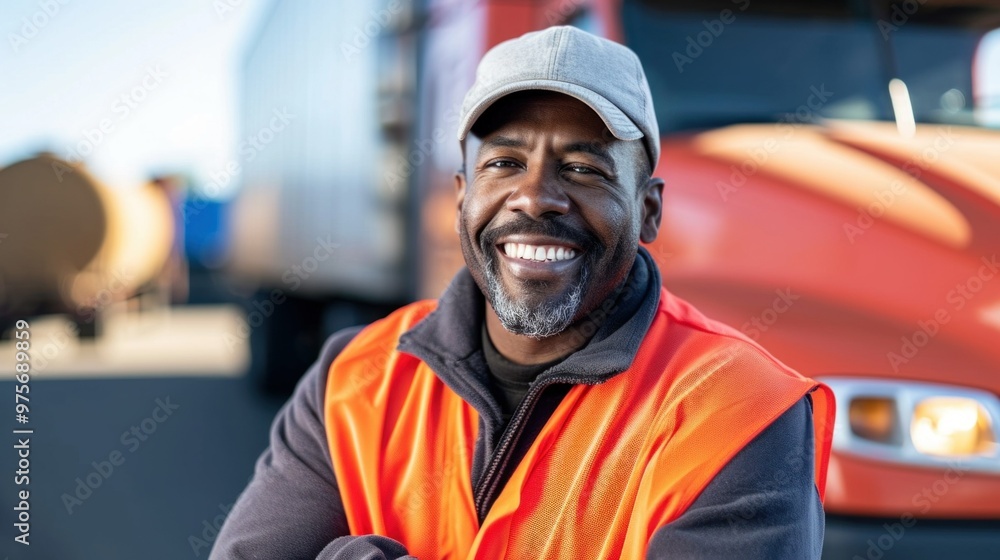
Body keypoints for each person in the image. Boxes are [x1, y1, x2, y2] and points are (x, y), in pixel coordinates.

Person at [210, 26, 834, 560]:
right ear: (462, 194)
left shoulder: (740, 412)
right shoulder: (352, 379)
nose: (535, 196)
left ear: (648, 211)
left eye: (584, 168)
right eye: (504, 163)